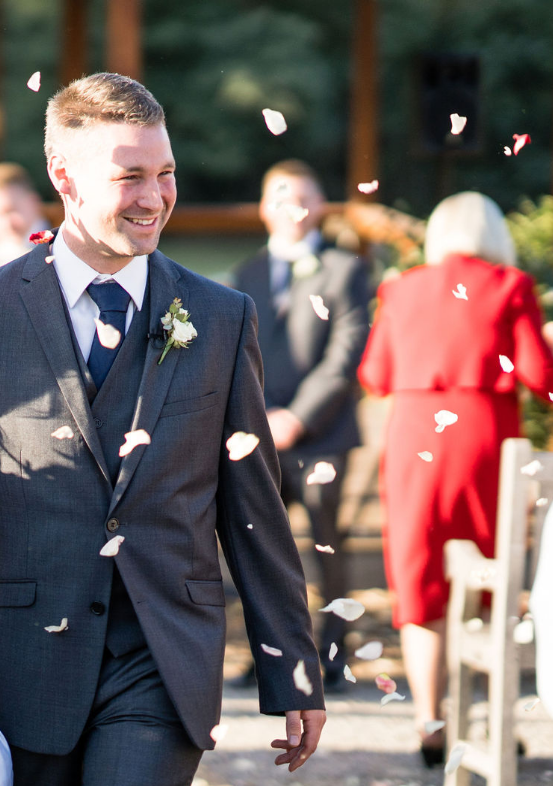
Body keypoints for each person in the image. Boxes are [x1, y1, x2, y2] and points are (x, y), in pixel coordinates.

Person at [0, 73, 326, 786]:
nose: (154, 197)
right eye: (131, 177)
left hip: (164, 655)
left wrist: (292, 667)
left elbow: (253, 507)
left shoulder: (220, 315)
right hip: (21, 661)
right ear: (65, 177)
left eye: (166, 173)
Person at [358, 191, 553, 766]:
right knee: (486, 582)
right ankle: (484, 720)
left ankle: (431, 723)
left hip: (416, 438)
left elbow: (374, 374)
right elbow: (540, 376)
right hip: (483, 443)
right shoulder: (509, 285)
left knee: (421, 583)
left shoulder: (401, 287)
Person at [229, 160, 369, 689]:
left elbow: (344, 356)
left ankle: (332, 651)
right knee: (257, 545)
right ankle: (269, 655)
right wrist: (256, 420)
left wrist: (297, 418)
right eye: (283, 196)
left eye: (306, 196)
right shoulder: (245, 273)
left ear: (320, 205)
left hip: (323, 434)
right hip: (256, 433)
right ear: (266, 207)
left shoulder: (345, 269)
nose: (295, 207)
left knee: (325, 542)